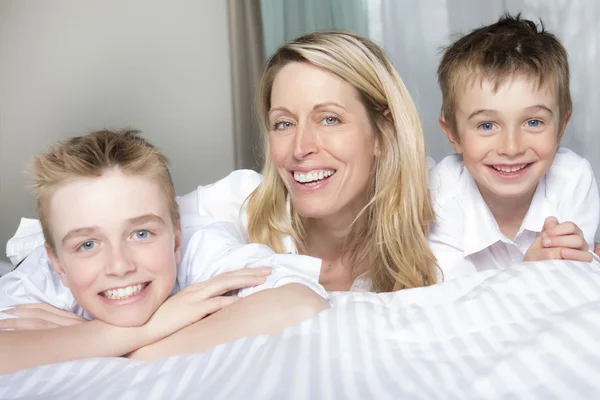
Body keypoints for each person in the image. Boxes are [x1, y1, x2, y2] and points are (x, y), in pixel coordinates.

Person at [0, 129, 329, 374]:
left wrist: (128, 353)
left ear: (175, 241)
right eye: (88, 244)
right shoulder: (41, 276)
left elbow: (299, 301)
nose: (119, 265)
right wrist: (148, 328)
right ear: (57, 263)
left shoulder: (202, 246)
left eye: (141, 233)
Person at [178, 30, 439, 293]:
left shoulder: (443, 211)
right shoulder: (234, 206)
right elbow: (141, 224)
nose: (300, 148)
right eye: (284, 123)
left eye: (329, 119)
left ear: (384, 132)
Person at [428, 13, 600, 279]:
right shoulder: (442, 190)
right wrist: (526, 273)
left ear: (561, 127)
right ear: (453, 134)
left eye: (533, 122)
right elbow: (449, 294)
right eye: (487, 125)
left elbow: (574, 286)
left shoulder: (573, 179)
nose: (511, 148)